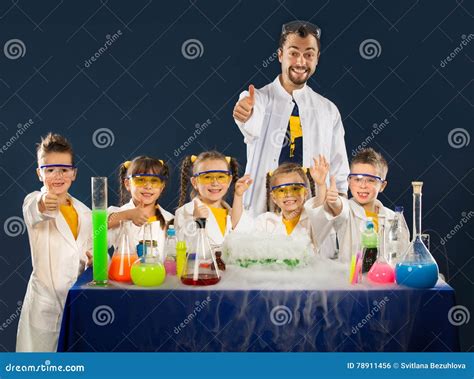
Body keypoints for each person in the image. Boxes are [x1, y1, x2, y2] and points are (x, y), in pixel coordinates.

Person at [233, 20, 350, 218]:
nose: (301, 62)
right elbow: (249, 119)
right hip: (263, 215)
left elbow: (338, 171)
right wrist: (245, 112)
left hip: (313, 219)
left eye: (309, 55)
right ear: (280, 55)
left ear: (317, 59)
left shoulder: (328, 110)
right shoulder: (259, 99)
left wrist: (338, 213)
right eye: (293, 53)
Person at [17, 133, 92, 352]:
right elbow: (36, 209)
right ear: (40, 174)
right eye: (49, 170)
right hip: (45, 306)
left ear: (74, 173)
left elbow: (90, 250)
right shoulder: (33, 200)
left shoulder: (84, 212)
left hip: (75, 303)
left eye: (64, 169)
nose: (57, 176)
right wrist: (44, 202)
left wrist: (96, 259)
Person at [307, 148, 410, 262]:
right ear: (349, 182)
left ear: (382, 186)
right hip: (350, 278)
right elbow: (339, 206)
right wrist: (329, 195)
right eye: (357, 179)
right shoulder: (347, 209)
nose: (363, 185)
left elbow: (403, 256)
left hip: (386, 278)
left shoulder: (393, 218)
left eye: (371, 180)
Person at [174, 151, 252, 251]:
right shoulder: (184, 212)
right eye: (207, 177)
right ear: (195, 182)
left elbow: (244, 237)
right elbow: (184, 250)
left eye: (221, 177)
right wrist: (197, 222)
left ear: (229, 181)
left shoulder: (234, 214)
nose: (215, 183)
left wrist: (238, 195)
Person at [107, 156, 173, 257]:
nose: (148, 186)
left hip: (159, 272)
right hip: (126, 272)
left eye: (154, 181)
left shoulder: (170, 219)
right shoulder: (119, 213)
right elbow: (95, 231)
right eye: (141, 180)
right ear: (127, 184)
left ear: (162, 187)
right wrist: (127, 215)